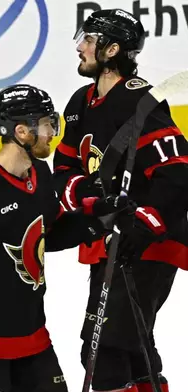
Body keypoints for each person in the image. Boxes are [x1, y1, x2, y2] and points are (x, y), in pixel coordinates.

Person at [0, 84, 130, 391]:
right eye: (45, 125)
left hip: (30, 337)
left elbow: (47, 234)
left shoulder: (40, 176)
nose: (52, 133)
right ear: (21, 131)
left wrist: (98, 218)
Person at [53, 8, 188, 391]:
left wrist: (142, 226)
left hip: (147, 243)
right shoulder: (81, 102)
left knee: (106, 349)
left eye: (89, 40)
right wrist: (83, 193)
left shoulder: (139, 103)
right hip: (111, 240)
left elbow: (178, 171)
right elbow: (63, 168)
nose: (80, 47)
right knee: (129, 345)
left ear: (112, 50)